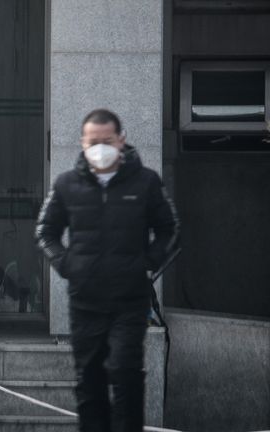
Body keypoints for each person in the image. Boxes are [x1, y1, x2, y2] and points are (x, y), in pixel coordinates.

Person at [35, 109, 179, 431]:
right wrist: (67, 264)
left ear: (121, 140)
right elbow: (45, 231)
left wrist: (148, 264)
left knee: (126, 372)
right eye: (94, 141)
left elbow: (170, 229)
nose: (101, 148)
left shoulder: (146, 182)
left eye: (107, 141)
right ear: (83, 143)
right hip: (85, 301)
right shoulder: (66, 184)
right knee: (89, 380)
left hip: (129, 300)